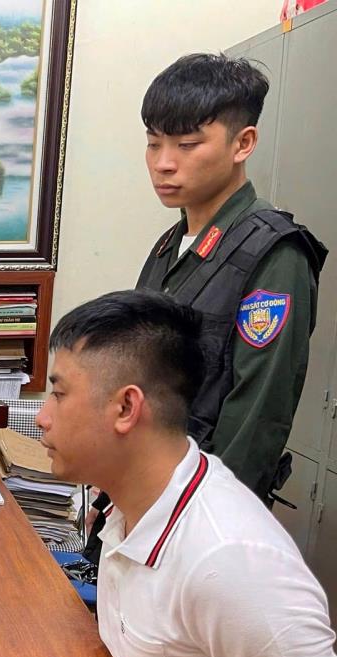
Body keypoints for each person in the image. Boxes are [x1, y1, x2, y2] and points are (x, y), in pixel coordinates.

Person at [37, 290, 337, 657]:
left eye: (59, 392)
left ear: (126, 408)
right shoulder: (132, 506)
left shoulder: (230, 559)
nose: (43, 416)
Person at [136, 52, 326, 503]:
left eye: (187, 145)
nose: (163, 163)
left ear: (243, 143)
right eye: (154, 143)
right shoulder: (170, 245)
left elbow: (258, 413)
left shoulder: (274, 252)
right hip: (147, 487)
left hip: (200, 506)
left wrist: (207, 516)